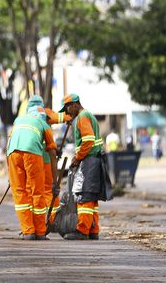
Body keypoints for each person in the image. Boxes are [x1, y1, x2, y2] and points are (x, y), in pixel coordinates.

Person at [7, 96, 58, 240]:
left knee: (20, 192)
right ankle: (40, 232)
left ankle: (28, 231)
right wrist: (55, 180)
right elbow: (53, 153)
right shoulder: (43, 123)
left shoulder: (18, 120)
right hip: (32, 154)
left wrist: (9, 175)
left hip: (12, 154)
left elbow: (8, 142)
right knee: (37, 191)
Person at [61, 93, 108, 240]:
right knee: (92, 196)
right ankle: (93, 229)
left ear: (75, 105)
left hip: (89, 160)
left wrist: (77, 158)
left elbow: (88, 141)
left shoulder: (82, 118)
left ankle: (82, 230)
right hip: (95, 159)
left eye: (68, 108)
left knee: (84, 195)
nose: (67, 112)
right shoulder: (87, 115)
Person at [25, 95, 72, 226]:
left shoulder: (26, 117)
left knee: (31, 189)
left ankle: (32, 222)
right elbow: (61, 117)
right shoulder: (44, 113)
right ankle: (53, 219)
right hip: (46, 158)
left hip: (28, 158)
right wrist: (70, 117)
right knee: (49, 189)